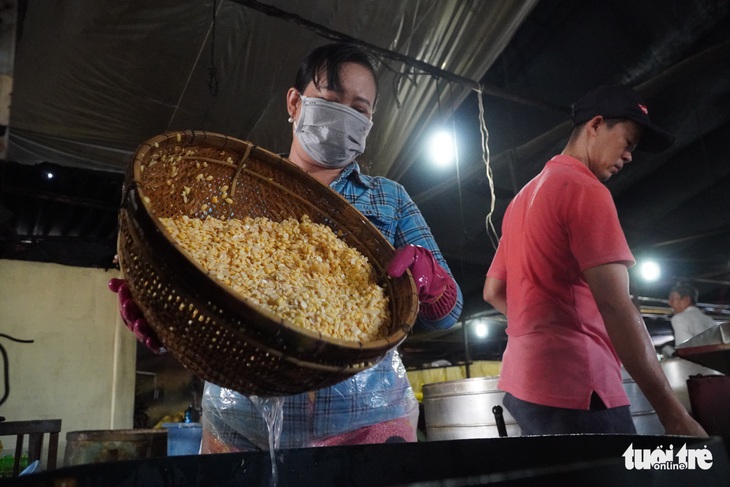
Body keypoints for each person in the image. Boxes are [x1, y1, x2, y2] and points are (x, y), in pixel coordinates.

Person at [110, 42, 463, 450]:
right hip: (242, 420)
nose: (346, 115)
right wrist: (160, 309)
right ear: (295, 102)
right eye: (332, 100)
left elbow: (448, 313)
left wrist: (432, 284)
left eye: (360, 109)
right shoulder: (233, 190)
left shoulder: (389, 199)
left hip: (363, 422)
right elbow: (201, 286)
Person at [482, 85, 707, 437]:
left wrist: (540, 329)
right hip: (579, 386)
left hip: (525, 387)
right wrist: (672, 414)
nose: (630, 156)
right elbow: (616, 306)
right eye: (628, 142)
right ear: (596, 125)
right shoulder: (585, 190)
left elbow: (493, 290)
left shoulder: (521, 200)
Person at [663, 282, 717, 355]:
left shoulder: (679, 318)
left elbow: (684, 351)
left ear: (686, 300)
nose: (670, 303)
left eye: (673, 299)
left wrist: (668, 351)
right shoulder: (709, 320)